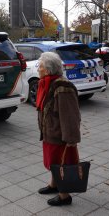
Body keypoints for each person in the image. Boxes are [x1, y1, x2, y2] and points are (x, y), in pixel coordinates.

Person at [36, 52, 81, 206]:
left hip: (61, 136)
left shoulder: (63, 87)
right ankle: (54, 185)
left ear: (48, 70)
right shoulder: (47, 83)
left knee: (63, 164)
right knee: (53, 161)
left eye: (40, 66)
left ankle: (64, 196)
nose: (38, 69)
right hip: (50, 132)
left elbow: (70, 116)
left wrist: (71, 139)